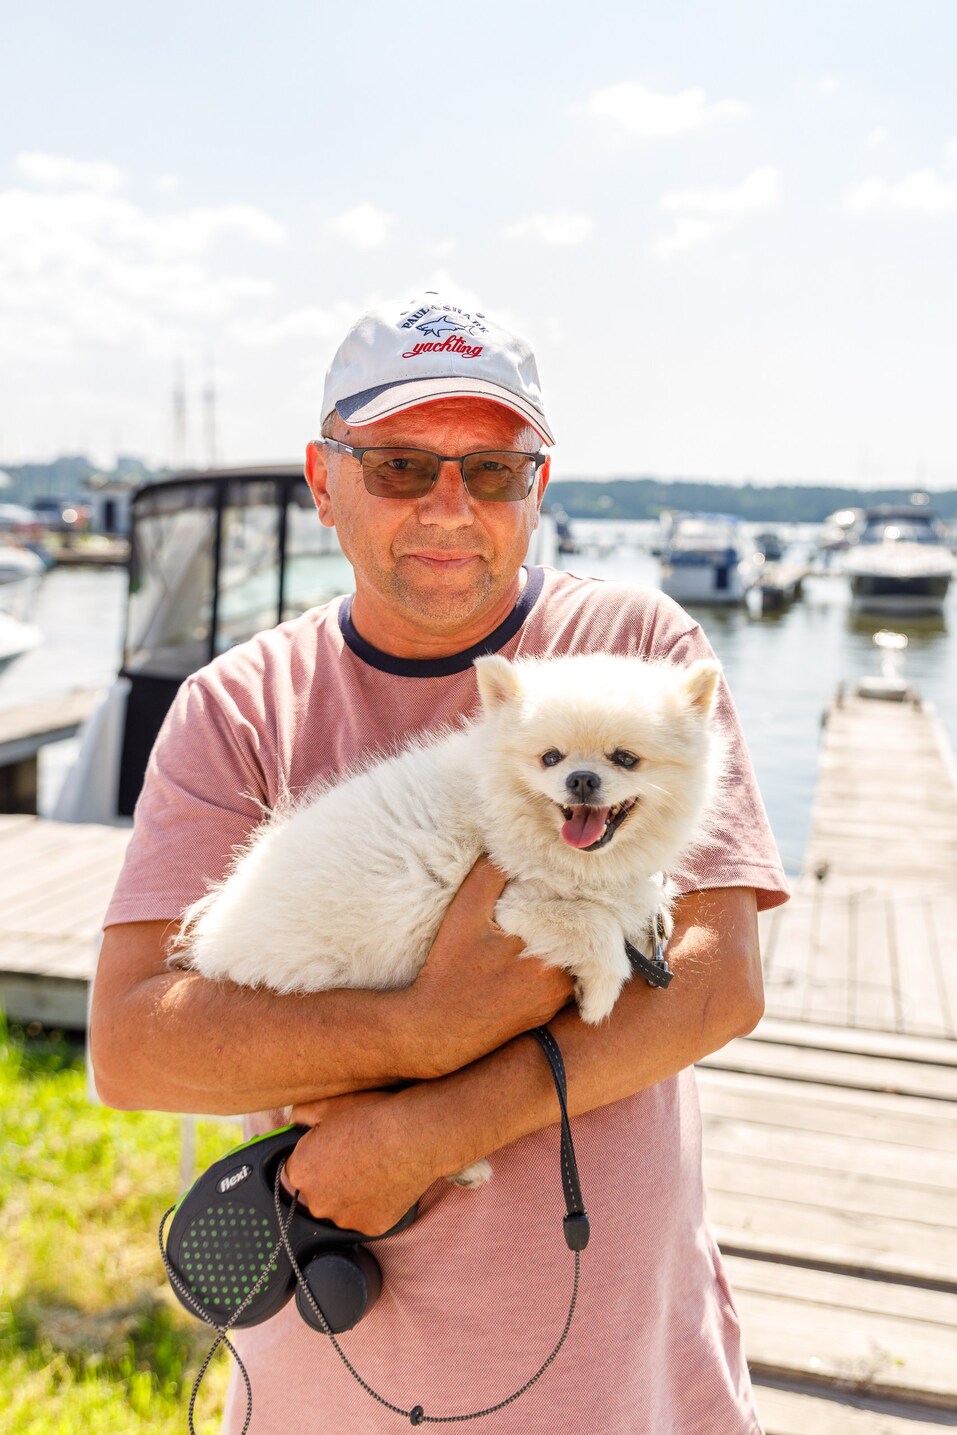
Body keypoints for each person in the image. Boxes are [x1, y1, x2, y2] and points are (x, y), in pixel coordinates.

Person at [91, 289, 788, 1434]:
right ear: (324, 481)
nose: (451, 506)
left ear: (539, 487)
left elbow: (719, 977)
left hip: (628, 1377)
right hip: (334, 1384)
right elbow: (132, 1044)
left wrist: (435, 1121)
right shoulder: (238, 708)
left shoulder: (642, 653)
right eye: (403, 466)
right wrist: (419, 1025)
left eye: (497, 470)